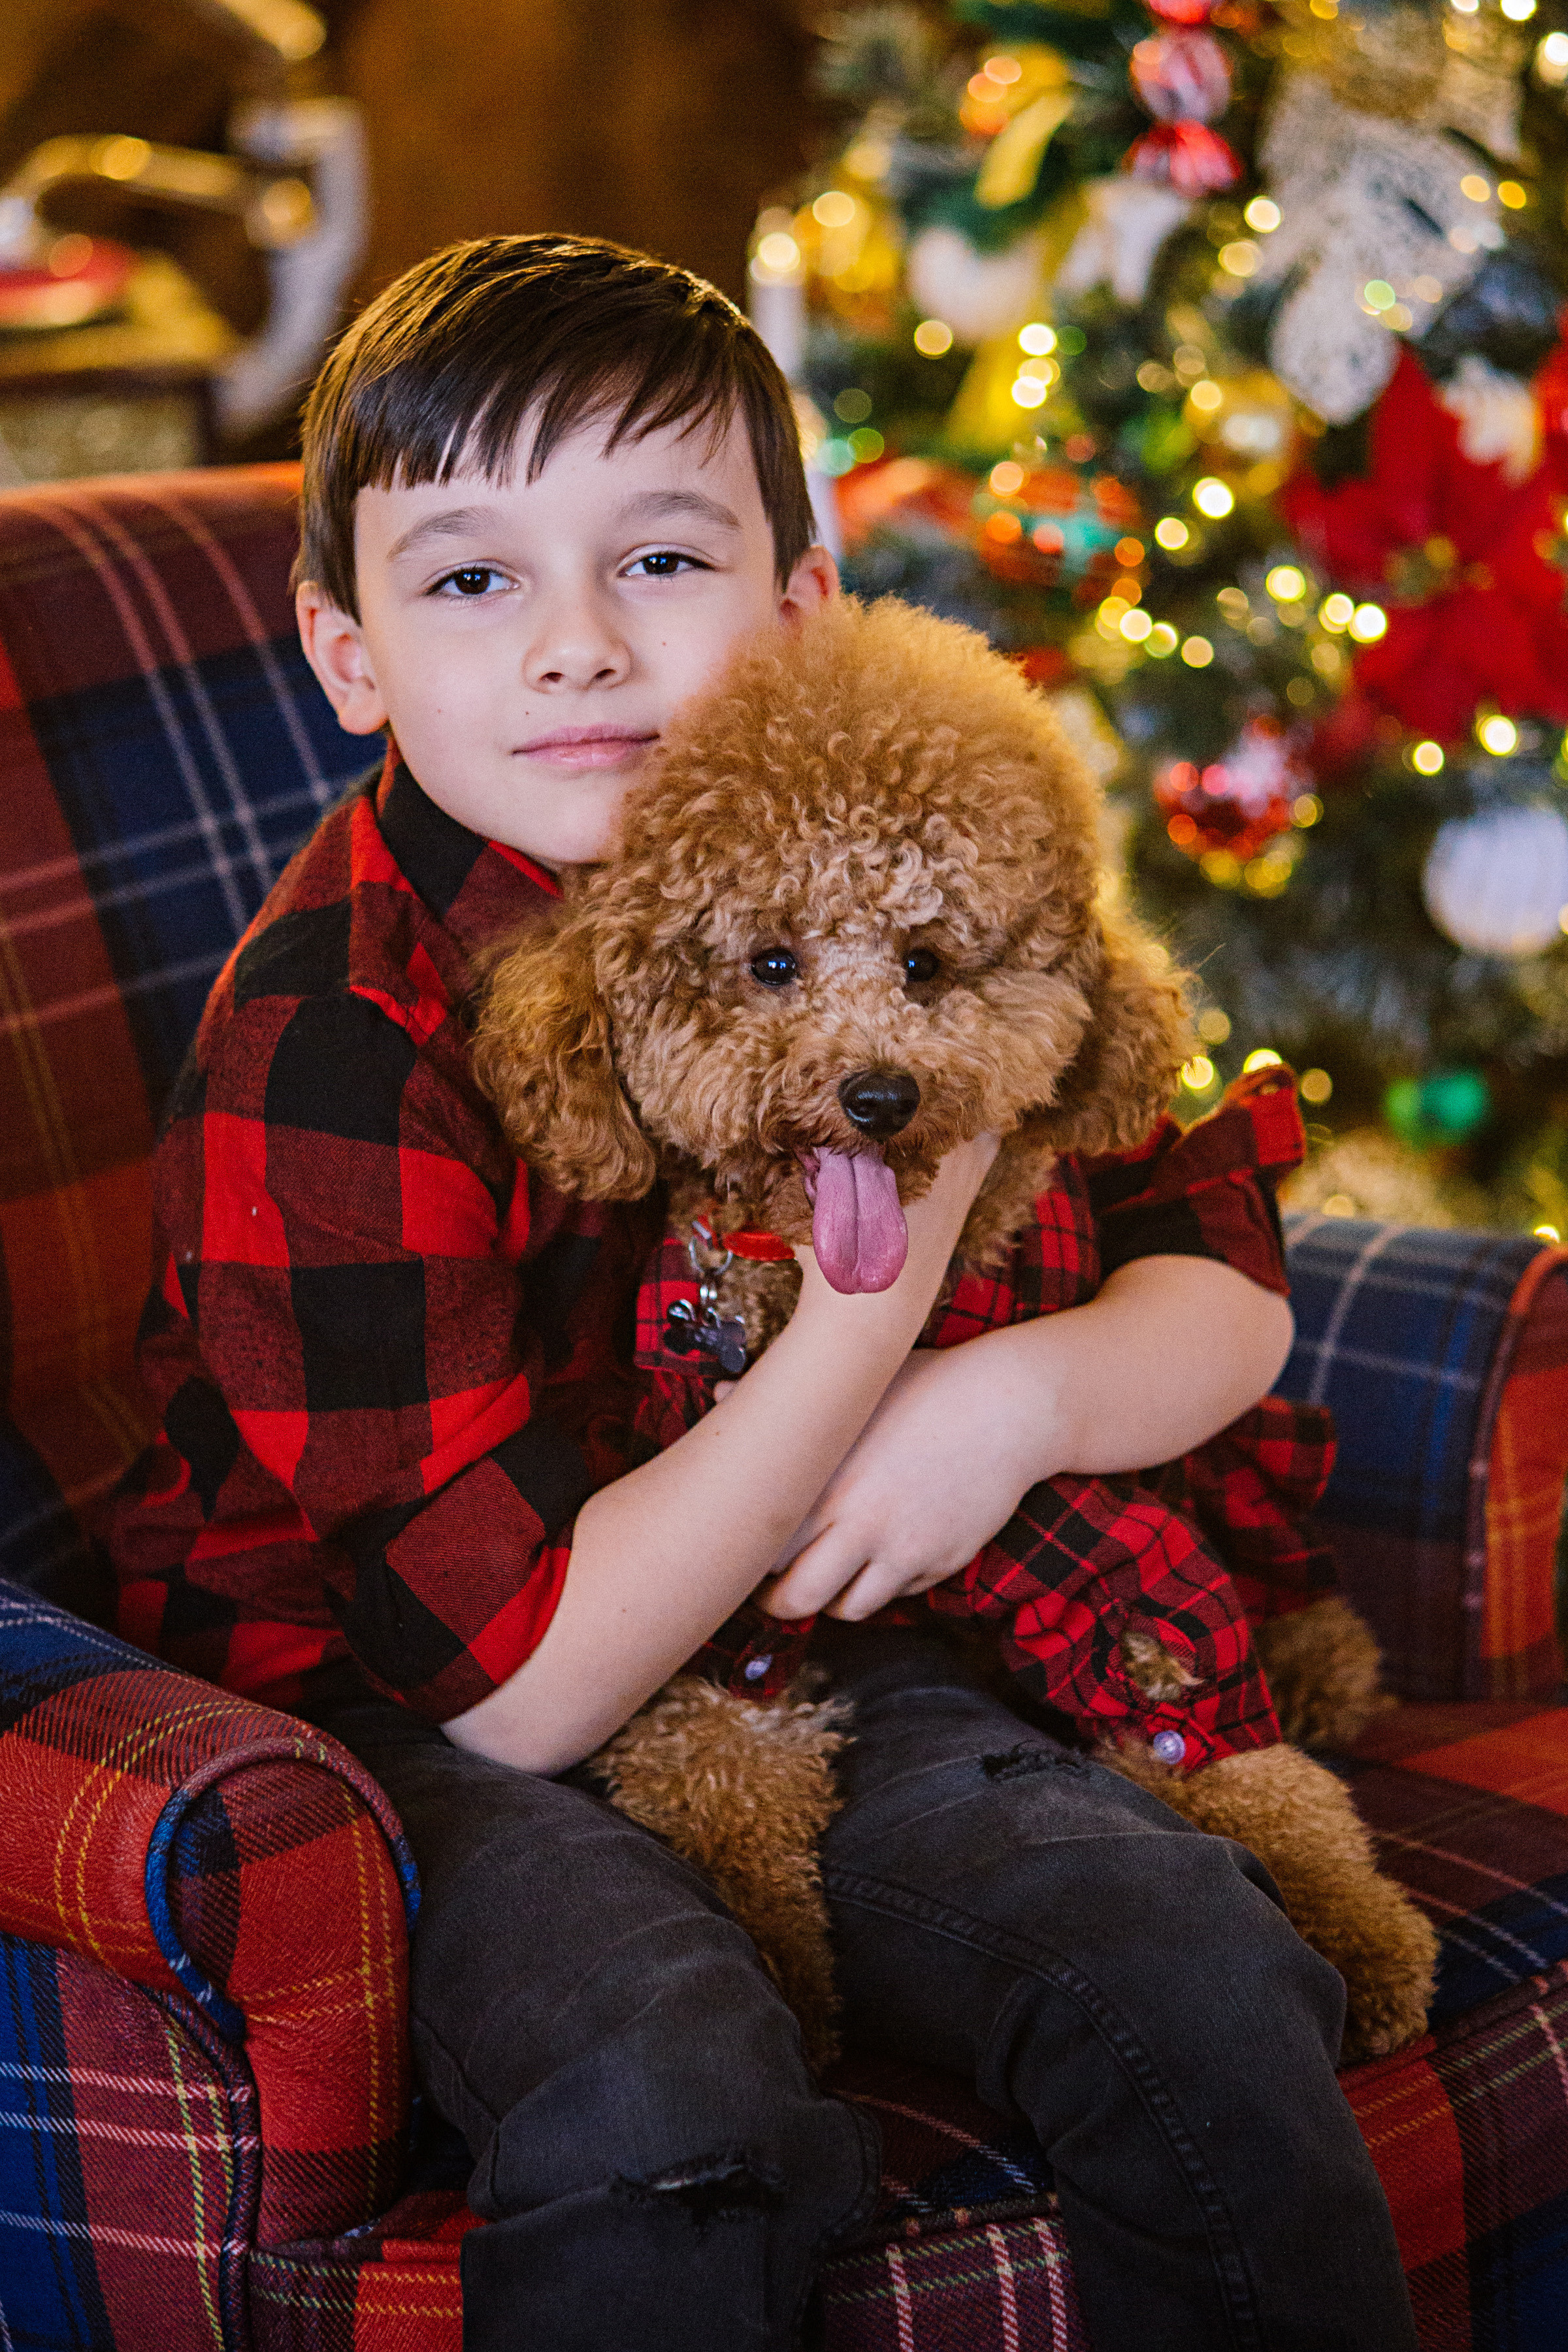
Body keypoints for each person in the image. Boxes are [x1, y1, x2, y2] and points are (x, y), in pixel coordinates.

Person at [108, 234, 1418, 2351]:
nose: (577, 647)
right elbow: (519, 1687)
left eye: (661, 559)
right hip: (410, 1706)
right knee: (666, 2082)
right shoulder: (334, 1039)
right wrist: (878, 1324)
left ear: (802, 603)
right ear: (351, 656)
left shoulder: (923, 850)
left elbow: (1222, 1265)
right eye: (473, 580)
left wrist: (1016, 1403)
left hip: (803, 1637)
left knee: (1187, 1957)